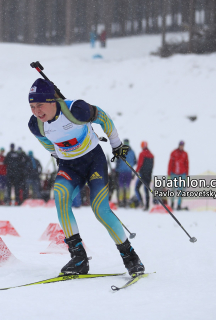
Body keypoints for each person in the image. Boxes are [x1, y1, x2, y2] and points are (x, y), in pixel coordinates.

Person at [28, 78, 145, 276]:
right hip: (69, 166)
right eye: (32, 106)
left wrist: (116, 144)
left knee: (100, 209)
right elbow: (47, 143)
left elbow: (103, 118)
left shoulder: (76, 109)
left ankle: (130, 256)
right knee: (60, 196)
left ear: (52, 101)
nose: (37, 111)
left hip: (93, 161)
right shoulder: (36, 125)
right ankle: (78, 258)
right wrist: (58, 155)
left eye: (40, 105)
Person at [115, 139, 136, 207]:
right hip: (129, 171)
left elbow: (117, 162)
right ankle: (127, 200)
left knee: (121, 186)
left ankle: (121, 201)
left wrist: (116, 170)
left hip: (121, 171)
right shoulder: (132, 152)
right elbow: (135, 161)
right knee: (127, 186)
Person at [168, 140, 189, 210]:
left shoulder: (185, 154)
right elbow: (170, 163)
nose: (181, 146)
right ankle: (172, 203)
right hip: (174, 173)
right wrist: (169, 174)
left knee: (181, 190)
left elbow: (187, 165)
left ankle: (179, 205)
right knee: (173, 189)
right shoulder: (173, 153)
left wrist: (186, 175)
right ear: (178, 145)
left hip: (182, 174)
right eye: (180, 145)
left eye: (182, 145)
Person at [135, 141, 154, 211]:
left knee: (137, 188)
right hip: (149, 175)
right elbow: (152, 166)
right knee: (146, 190)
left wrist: (136, 171)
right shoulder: (151, 155)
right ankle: (147, 205)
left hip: (142, 174)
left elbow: (139, 164)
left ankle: (141, 202)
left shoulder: (142, 154)